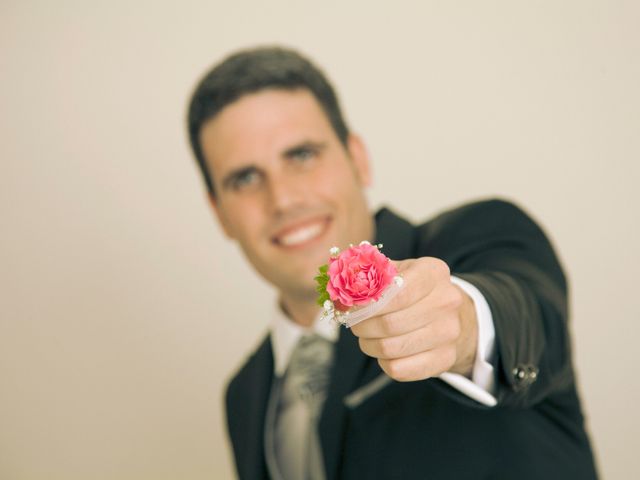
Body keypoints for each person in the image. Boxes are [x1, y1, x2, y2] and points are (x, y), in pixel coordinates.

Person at [186, 46, 598, 480]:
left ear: (357, 159)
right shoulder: (244, 394)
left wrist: (463, 326)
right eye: (245, 178)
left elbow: (519, 315)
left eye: (302, 155)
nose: (283, 199)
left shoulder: (481, 235)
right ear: (220, 213)